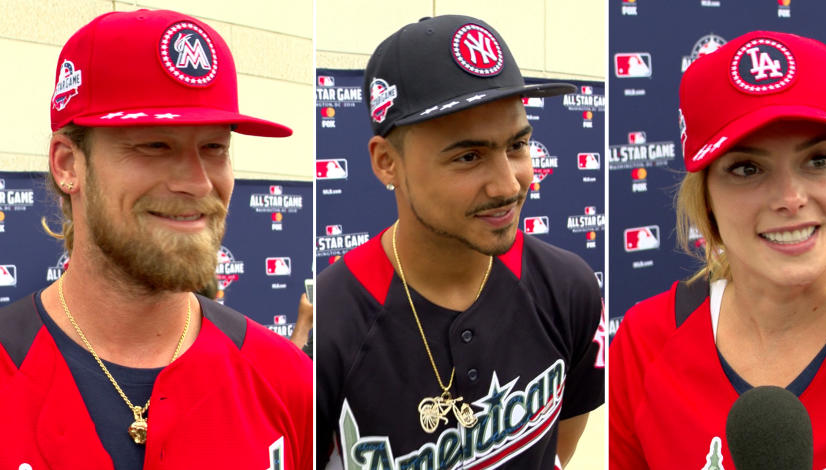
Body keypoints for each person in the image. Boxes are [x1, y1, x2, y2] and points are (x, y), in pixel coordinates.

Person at [609, 30, 826, 469]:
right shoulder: (643, 343)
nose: (791, 198)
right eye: (747, 168)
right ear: (707, 198)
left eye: (817, 160)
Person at [0, 9, 312, 469]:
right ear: (68, 164)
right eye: (155, 146)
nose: (199, 182)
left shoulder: (286, 380)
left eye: (214, 148)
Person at [315, 15, 605, 470]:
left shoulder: (569, 287)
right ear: (387, 162)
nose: (508, 185)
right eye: (469, 156)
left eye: (517, 146)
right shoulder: (331, 324)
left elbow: (559, 444)